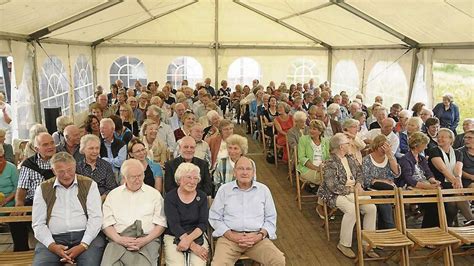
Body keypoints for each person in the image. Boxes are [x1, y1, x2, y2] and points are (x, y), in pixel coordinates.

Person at [209, 156, 285, 265]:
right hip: (229, 239)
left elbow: (270, 218)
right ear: (234, 172)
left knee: (278, 260)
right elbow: (215, 217)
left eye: (248, 169)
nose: (244, 172)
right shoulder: (224, 190)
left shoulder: (263, 190)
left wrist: (259, 236)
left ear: (253, 172)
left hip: (257, 239)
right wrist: (231, 235)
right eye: (240, 169)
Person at [31, 152, 104, 265]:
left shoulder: (89, 184)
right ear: (53, 171)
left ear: (75, 167)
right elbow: (38, 223)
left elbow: (96, 218)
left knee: (90, 263)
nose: (66, 175)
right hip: (53, 238)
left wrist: (83, 245)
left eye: (70, 170)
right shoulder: (43, 188)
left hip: (85, 236)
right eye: (61, 171)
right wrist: (52, 246)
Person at [316, 133, 377, 259]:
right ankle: (343, 244)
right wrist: (351, 189)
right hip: (334, 194)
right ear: (341, 147)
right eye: (347, 143)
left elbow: (360, 173)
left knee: (371, 208)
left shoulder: (350, 158)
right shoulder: (330, 162)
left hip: (354, 190)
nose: (350, 144)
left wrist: (359, 184)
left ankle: (367, 243)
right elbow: (332, 186)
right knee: (352, 210)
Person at [101, 159, 167, 265]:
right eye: (133, 177)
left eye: (140, 175)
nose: (138, 180)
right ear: (124, 177)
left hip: (147, 241)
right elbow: (106, 223)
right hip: (118, 241)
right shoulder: (113, 195)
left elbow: (161, 224)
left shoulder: (154, 194)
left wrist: (145, 240)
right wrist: (119, 239)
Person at [14, 132, 56, 251]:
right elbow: (21, 189)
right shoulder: (28, 164)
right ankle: (21, 252)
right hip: (35, 203)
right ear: (37, 148)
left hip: (59, 200)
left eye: (52, 143)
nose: (50, 147)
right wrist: (19, 205)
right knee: (16, 219)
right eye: (45, 144)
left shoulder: (62, 159)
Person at [163, 163, 209, 265]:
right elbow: (174, 225)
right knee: (176, 264)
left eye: (195, 178)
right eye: (188, 177)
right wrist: (193, 246)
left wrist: (188, 241)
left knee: (198, 263)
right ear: (179, 179)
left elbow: (203, 223)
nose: (192, 181)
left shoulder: (202, 196)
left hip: (196, 234)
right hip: (173, 235)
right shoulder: (170, 197)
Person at [426, 128, 473, 226]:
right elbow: (443, 169)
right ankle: (470, 221)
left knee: (453, 201)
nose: (440, 138)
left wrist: (458, 179)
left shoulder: (457, 153)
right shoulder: (434, 151)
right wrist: (455, 182)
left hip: (452, 184)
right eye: (438, 137)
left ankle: (451, 226)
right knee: (457, 196)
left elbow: (458, 169)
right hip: (439, 184)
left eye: (443, 137)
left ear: (451, 139)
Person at [399, 132, 442, 227]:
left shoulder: (421, 158)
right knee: (433, 204)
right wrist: (427, 186)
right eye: (425, 145)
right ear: (417, 145)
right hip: (410, 188)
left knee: (439, 202)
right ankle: (428, 228)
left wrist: (432, 180)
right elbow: (408, 179)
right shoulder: (405, 159)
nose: (426, 147)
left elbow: (428, 172)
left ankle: (434, 228)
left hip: (424, 186)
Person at [362, 135, 400, 229]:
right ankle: (389, 229)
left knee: (388, 201)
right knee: (384, 204)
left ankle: (386, 230)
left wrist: (390, 156)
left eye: (387, 146)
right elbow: (367, 180)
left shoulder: (390, 158)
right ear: (376, 146)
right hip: (372, 190)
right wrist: (382, 181)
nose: (384, 149)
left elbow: (396, 174)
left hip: (389, 189)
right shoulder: (367, 160)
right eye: (382, 147)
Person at [76, 134, 117, 200]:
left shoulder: (106, 166)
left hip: (103, 201)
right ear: (83, 149)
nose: (95, 151)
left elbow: (112, 188)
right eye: (91, 148)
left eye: (97, 148)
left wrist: (101, 199)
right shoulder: (77, 167)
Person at [297, 120, 330, 185]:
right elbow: (301, 158)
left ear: (320, 131)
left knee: (332, 175)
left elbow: (328, 157)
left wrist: (324, 167)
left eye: (314, 129)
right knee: (327, 177)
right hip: (307, 169)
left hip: (323, 169)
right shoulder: (303, 140)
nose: (311, 131)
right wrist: (317, 168)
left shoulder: (326, 141)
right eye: (310, 128)